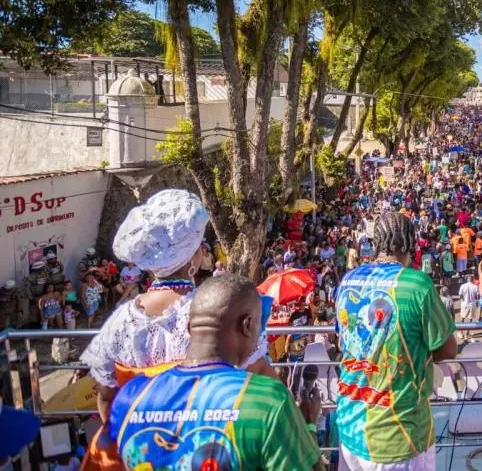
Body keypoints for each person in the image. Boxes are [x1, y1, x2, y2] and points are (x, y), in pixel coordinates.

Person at [80, 189, 271, 470]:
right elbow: (263, 381)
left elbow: (107, 398)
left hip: (146, 456)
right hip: (214, 452)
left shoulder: (120, 322)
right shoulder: (220, 312)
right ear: (193, 259)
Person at [109, 274, 321, 471]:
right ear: (247, 325)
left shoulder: (130, 397)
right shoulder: (267, 399)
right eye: (259, 326)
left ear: (190, 327)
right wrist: (309, 425)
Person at [334, 211, 458, 469]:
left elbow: (342, 342)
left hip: (350, 428)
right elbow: (448, 348)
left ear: (375, 244)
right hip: (398, 435)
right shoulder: (416, 285)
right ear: (410, 244)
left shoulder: (347, 281)